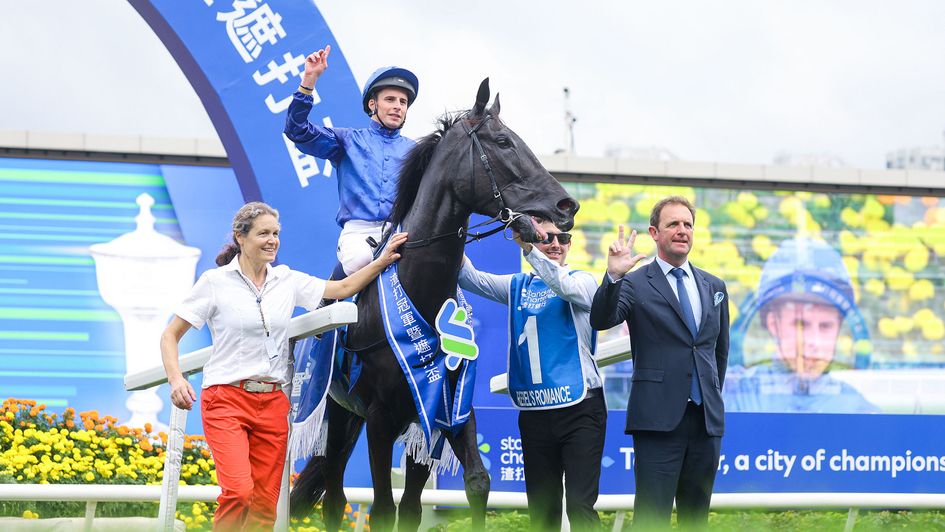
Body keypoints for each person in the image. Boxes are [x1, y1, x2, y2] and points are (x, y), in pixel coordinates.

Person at [160, 202, 407, 530]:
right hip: (225, 400)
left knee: (264, 505)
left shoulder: (287, 280)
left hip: (273, 403)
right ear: (240, 237)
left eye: (276, 234)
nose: (272, 240)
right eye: (263, 233)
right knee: (238, 492)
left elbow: (342, 289)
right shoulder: (214, 282)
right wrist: (176, 379)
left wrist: (382, 259)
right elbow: (170, 336)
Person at [589, 196, 729, 529]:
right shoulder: (635, 282)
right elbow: (601, 319)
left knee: (697, 520)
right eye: (673, 224)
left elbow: (718, 354)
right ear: (654, 232)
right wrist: (613, 277)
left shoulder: (714, 286)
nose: (682, 231)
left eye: (688, 225)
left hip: (705, 424)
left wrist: (709, 397)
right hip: (657, 423)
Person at [458, 218, 606, 531]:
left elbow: (561, 286)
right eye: (545, 238)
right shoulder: (517, 285)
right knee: (542, 513)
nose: (556, 244)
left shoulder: (583, 281)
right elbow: (469, 278)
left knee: (580, 506)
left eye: (562, 238)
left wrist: (530, 249)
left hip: (581, 410)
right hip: (536, 414)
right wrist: (450, 226)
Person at [284, 44, 418, 277]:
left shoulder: (415, 150)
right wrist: (309, 80)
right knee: (360, 260)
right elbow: (297, 131)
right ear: (372, 104)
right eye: (390, 99)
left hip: (401, 231)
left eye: (403, 102)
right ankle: (328, 295)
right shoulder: (347, 140)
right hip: (358, 233)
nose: (398, 106)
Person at [724, 238, 878, 413]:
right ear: (774, 324)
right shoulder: (731, 397)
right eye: (800, 325)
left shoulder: (858, 410)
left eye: (826, 326)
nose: (813, 342)